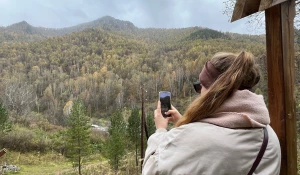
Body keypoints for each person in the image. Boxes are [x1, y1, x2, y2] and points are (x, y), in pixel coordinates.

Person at [142, 51, 281, 175]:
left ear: (214, 92)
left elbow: (152, 169)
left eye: (200, 86)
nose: (200, 92)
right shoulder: (269, 135)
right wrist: (183, 121)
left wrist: (160, 131)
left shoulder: (190, 138)